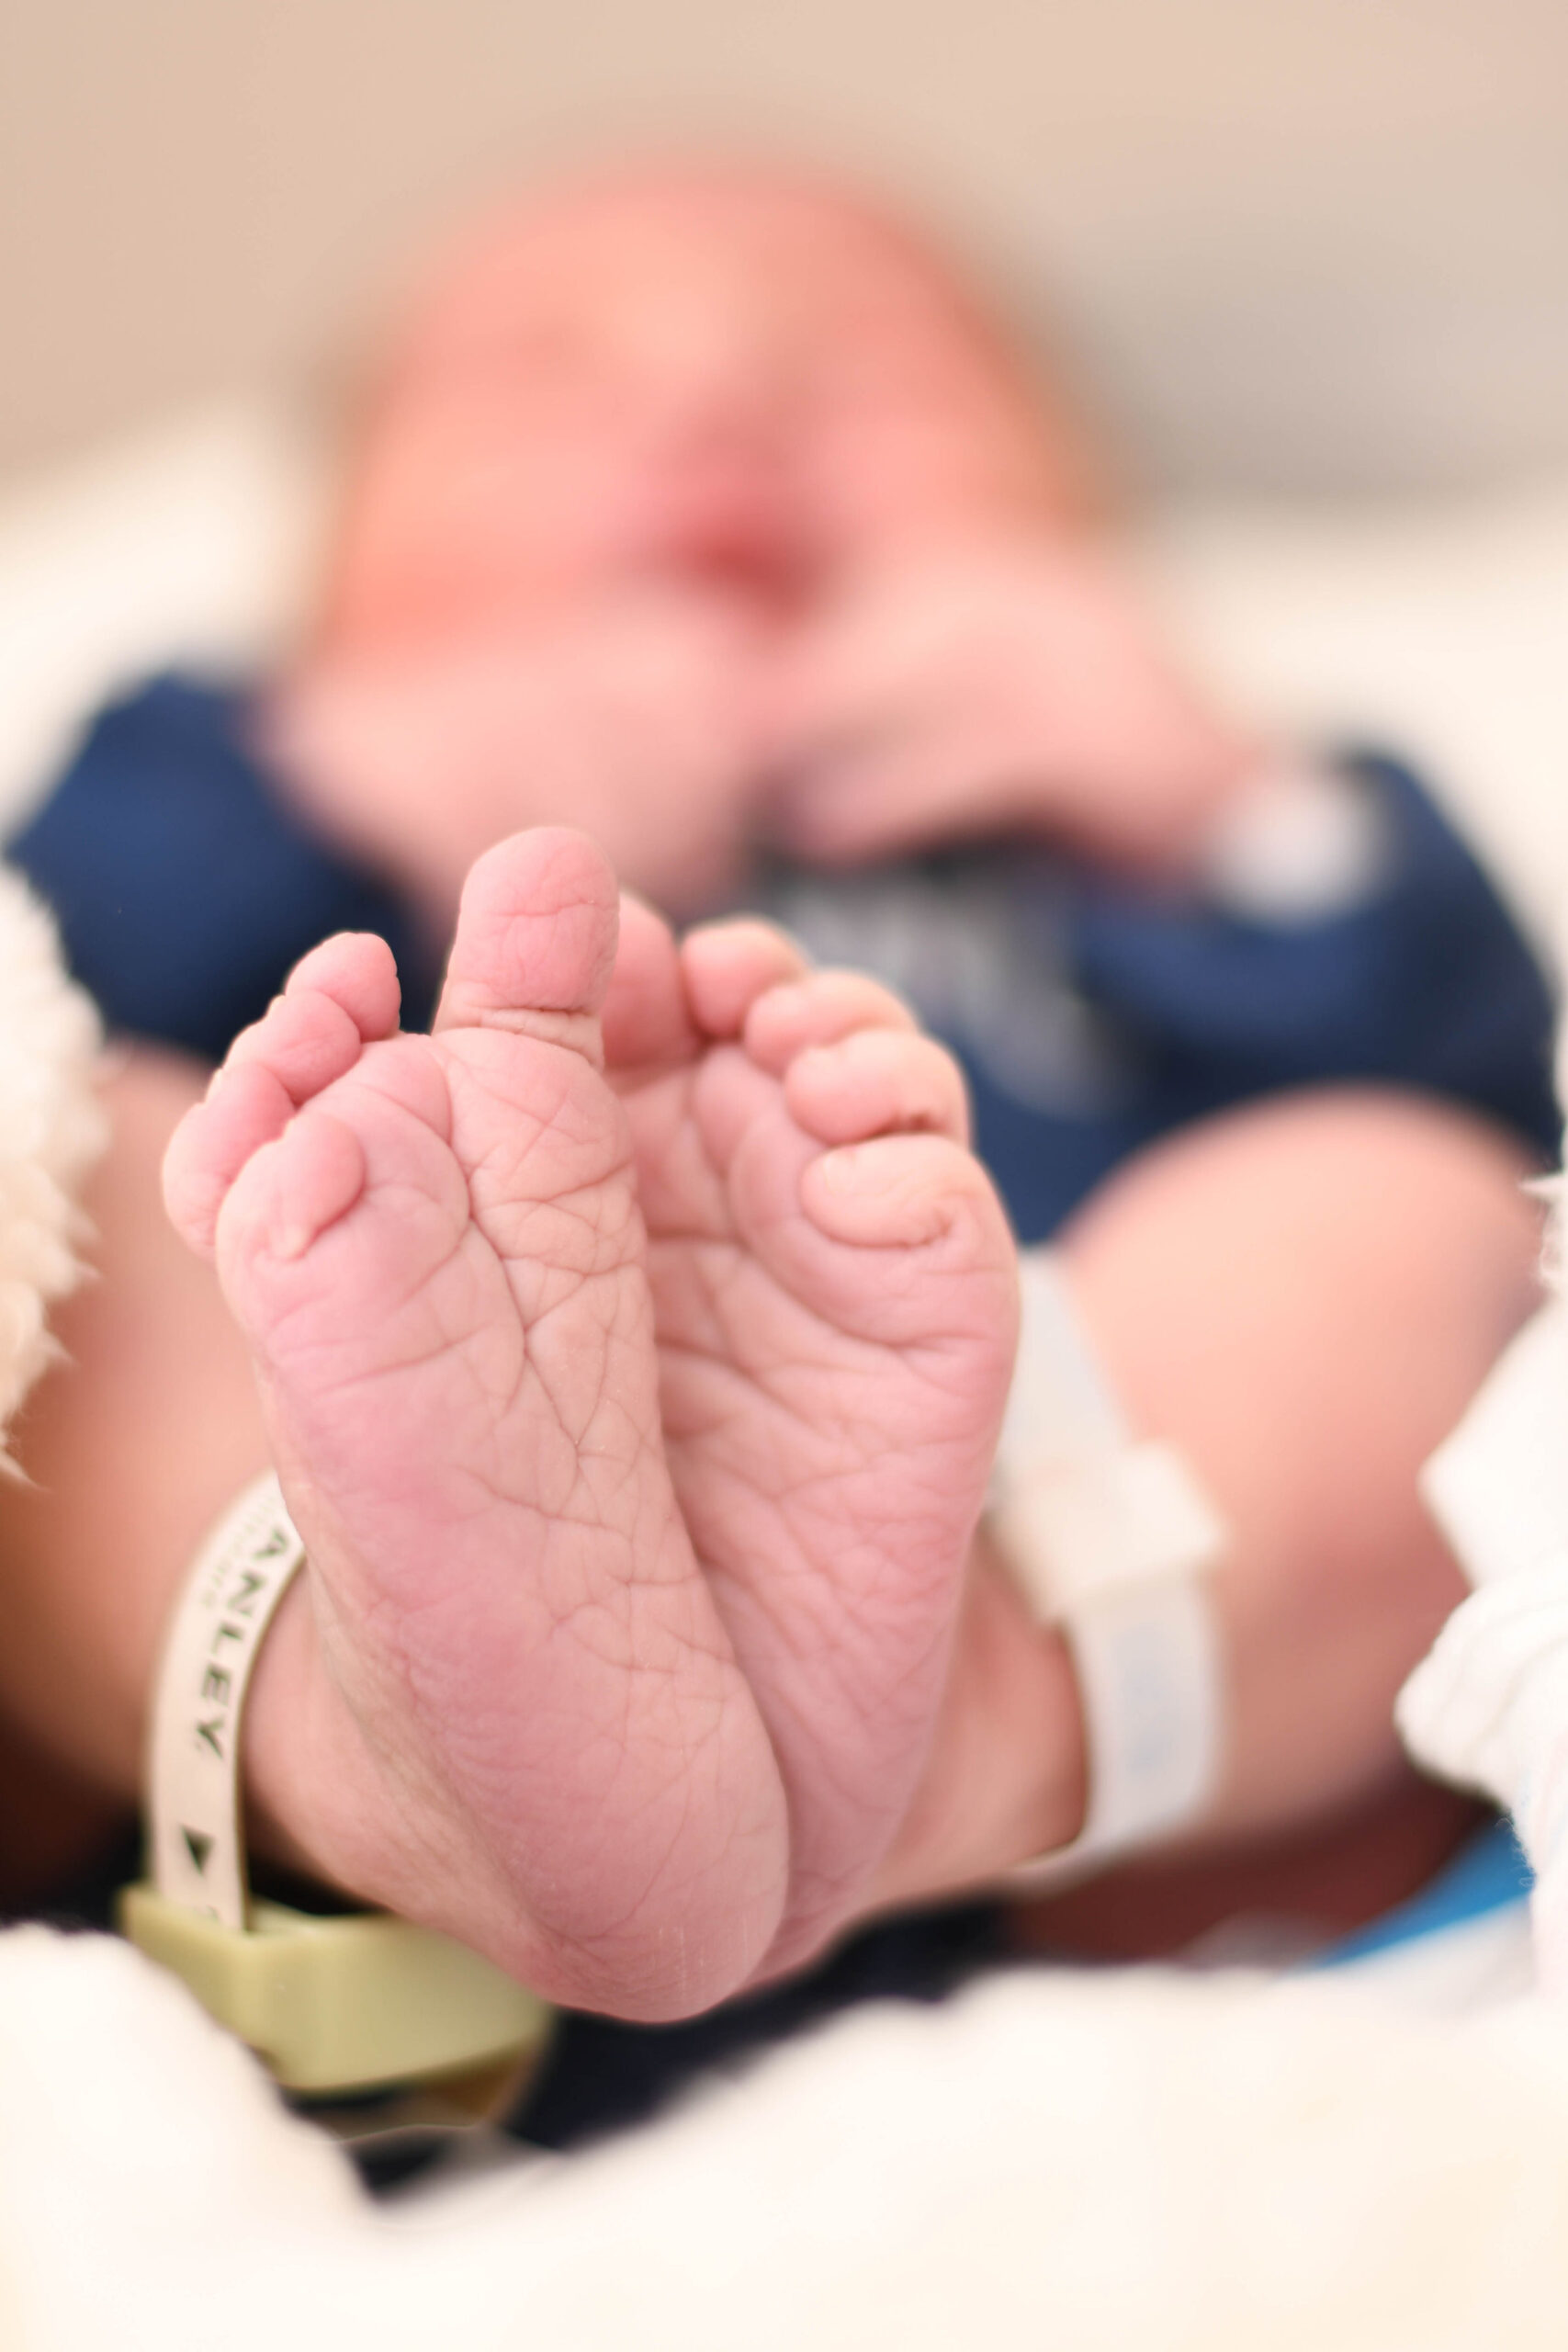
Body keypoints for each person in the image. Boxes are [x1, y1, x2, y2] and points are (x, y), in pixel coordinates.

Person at [0, 167, 1552, 2087]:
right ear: (327, 562)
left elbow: (1487, 1080)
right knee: (67, 1177)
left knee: (1394, 1216)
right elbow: (43, 975)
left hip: (1104, 1725)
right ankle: (406, 1741)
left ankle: (928, 1723)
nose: (710, 413)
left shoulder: (1169, 818)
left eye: (873, 379)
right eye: (539, 383)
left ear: (1080, 533)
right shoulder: (224, 754)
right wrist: (325, 765)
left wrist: (1224, 806)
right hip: (309, 1715)